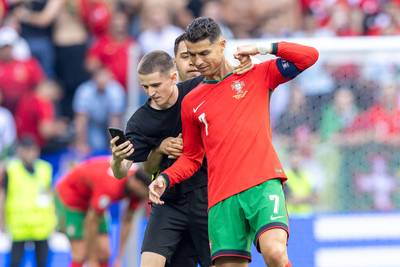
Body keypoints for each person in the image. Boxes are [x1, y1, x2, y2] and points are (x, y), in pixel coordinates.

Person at [148, 17, 319, 267]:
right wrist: (165, 178)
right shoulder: (192, 101)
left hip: (262, 185)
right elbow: (192, 158)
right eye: (192, 55)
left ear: (222, 45)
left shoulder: (258, 73)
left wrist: (263, 48)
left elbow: (309, 56)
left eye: (204, 53)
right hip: (221, 198)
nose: (197, 62)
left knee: (275, 253)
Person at [110, 36, 211, 267]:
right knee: (148, 263)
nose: (150, 92)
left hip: (206, 197)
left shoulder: (197, 90)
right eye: (145, 86)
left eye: (156, 85)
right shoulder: (140, 121)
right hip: (168, 201)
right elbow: (121, 171)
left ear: (173, 77)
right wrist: (117, 158)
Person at [55, 156, 149, 267]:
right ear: (136, 184)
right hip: (71, 198)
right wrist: (92, 259)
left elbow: (127, 221)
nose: (148, 197)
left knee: (104, 253)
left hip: (93, 200)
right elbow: (91, 221)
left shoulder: (138, 191)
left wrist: (119, 258)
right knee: (80, 254)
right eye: (146, 192)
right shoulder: (111, 186)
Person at [1, 137, 55, 267]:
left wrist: (54, 219)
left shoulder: (45, 168)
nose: (30, 153)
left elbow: (50, 195)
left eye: (33, 150)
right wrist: (2, 221)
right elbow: (3, 196)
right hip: (19, 225)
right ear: (20, 151)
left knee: (42, 262)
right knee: (15, 262)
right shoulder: (10, 169)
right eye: (27, 150)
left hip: (41, 225)